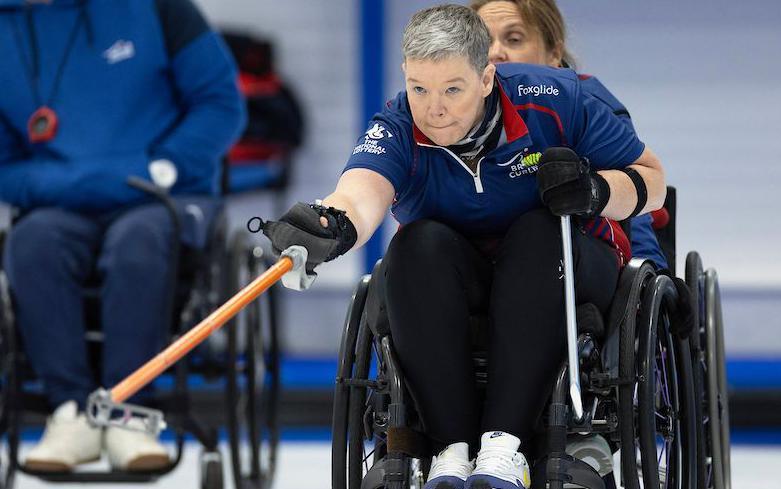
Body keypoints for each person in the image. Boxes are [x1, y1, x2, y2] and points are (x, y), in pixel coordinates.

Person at [261, 5, 664, 489]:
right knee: (414, 244)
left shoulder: (557, 98)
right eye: (419, 89)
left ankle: (504, 448)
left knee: (538, 229)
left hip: (566, 262)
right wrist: (332, 224)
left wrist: (596, 190)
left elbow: (652, 183)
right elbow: (361, 190)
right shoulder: (397, 125)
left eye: (452, 89)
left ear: (487, 78)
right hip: (461, 275)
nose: (435, 108)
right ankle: (449, 452)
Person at [0, 0, 244, 472]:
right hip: (58, 203)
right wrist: (70, 185)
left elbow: (220, 103)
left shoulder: (158, 8)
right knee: (31, 244)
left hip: (160, 194)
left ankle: (129, 413)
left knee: (140, 245)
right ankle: (71, 414)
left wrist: (165, 167)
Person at [471, 0, 670, 272]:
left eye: (514, 39)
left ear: (554, 53)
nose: (495, 53)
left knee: (538, 228)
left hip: (569, 259)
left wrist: (649, 274)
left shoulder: (587, 104)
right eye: (482, 42)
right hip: (478, 263)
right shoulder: (446, 115)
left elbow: (635, 209)